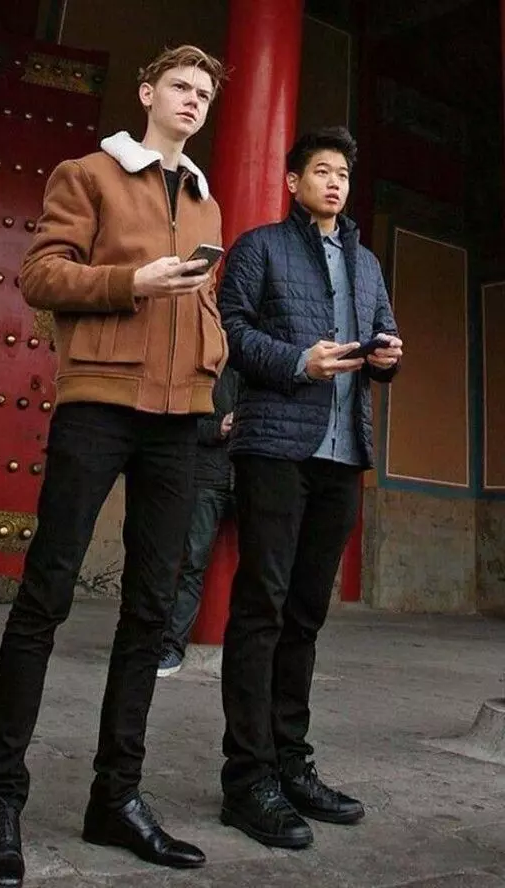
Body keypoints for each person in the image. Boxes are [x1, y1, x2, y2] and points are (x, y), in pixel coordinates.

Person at [0, 45, 227, 888]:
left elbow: (205, 302)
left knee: (150, 611)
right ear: (147, 92)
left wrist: (214, 361)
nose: (192, 100)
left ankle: (116, 798)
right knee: (45, 596)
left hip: (179, 419)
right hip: (100, 402)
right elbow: (41, 276)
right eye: (180, 87)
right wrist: (131, 282)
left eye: (204, 93)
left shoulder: (206, 200)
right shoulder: (89, 174)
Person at [217, 126, 403, 851]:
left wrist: (386, 357)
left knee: (305, 614)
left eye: (343, 175)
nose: (334, 183)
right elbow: (231, 331)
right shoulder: (259, 247)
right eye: (321, 172)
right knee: (261, 606)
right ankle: (248, 778)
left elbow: (382, 334)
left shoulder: (367, 264)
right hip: (275, 445)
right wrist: (300, 361)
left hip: (342, 453)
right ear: (293, 182)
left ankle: (292, 763)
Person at [157, 363, 239, 677]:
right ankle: (172, 648)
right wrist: (218, 428)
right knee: (192, 564)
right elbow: (184, 424)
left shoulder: (263, 371)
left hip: (251, 479)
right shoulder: (208, 370)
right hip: (208, 479)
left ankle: (258, 653)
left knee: (264, 570)